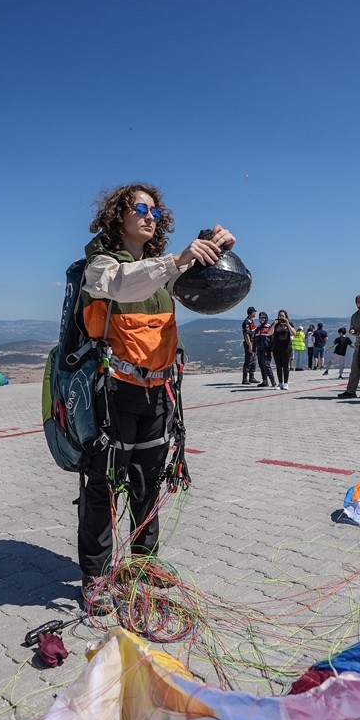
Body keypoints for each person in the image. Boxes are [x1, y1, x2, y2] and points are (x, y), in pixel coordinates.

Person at [75, 182, 235, 606]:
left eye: (156, 212)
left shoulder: (165, 269)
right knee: (103, 486)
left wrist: (215, 246)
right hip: (114, 393)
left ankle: (143, 562)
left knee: (147, 482)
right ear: (118, 216)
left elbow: (208, 284)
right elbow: (122, 284)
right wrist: (177, 259)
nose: (150, 217)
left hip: (159, 393)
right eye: (140, 209)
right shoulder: (101, 264)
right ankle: (96, 575)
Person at [271, 310, 295, 390]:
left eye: (282, 315)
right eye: (280, 315)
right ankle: (280, 383)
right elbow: (269, 333)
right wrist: (274, 324)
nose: (281, 317)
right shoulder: (276, 324)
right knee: (278, 366)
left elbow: (293, 333)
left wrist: (287, 324)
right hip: (276, 348)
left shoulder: (289, 324)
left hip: (286, 348)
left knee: (285, 366)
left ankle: (286, 383)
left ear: (286, 316)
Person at [253, 311, 276, 388]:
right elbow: (254, 340)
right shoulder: (258, 328)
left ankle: (273, 381)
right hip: (259, 349)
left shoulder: (269, 328)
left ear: (266, 318)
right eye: (260, 318)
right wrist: (253, 350)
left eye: (263, 318)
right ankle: (265, 381)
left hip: (267, 350)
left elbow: (273, 341)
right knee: (261, 365)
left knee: (266, 365)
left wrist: (272, 350)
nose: (262, 319)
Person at [241, 306, 257, 385]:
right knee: (248, 360)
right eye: (254, 312)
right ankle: (244, 379)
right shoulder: (246, 322)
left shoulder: (252, 321)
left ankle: (252, 377)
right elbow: (246, 335)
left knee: (253, 360)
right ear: (251, 312)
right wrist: (250, 345)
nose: (255, 313)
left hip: (254, 342)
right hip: (249, 343)